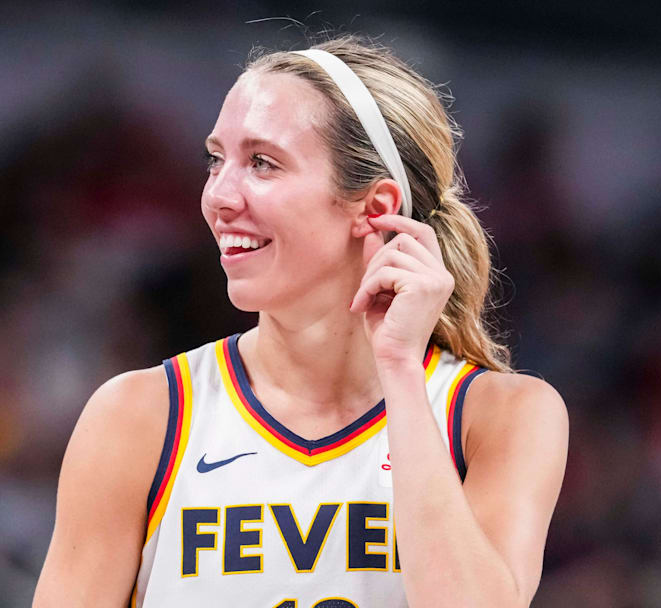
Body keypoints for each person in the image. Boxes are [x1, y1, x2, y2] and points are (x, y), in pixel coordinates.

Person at [33, 34, 568, 608]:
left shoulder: (501, 416)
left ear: (375, 208)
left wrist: (399, 370)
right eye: (216, 159)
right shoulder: (140, 417)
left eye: (261, 163)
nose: (219, 196)